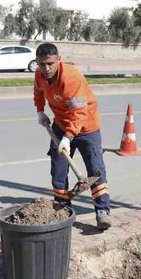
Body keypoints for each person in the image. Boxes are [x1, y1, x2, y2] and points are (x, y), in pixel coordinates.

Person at [33, 42, 112, 230]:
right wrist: (40, 111)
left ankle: (102, 211)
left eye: (50, 63)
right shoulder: (40, 75)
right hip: (60, 124)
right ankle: (62, 208)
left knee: (95, 170)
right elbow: (38, 92)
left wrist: (68, 138)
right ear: (37, 62)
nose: (47, 68)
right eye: (42, 64)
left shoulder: (71, 77)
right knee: (58, 168)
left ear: (59, 59)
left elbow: (78, 113)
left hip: (86, 127)